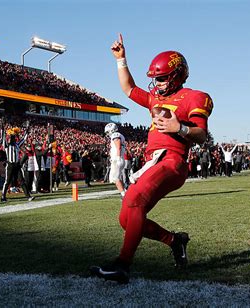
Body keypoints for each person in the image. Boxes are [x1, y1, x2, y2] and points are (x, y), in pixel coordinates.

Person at [90, 34, 213, 283]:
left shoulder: (195, 97)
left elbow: (202, 136)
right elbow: (128, 89)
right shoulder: (156, 98)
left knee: (134, 199)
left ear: (178, 74)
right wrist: (121, 60)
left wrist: (180, 128)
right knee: (126, 219)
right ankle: (175, 241)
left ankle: (122, 265)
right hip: (152, 162)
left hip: (173, 160)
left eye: (162, 78)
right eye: (155, 79)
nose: (157, 83)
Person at [0, 126, 34, 202]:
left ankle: (28, 196)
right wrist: (2, 129)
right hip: (10, 165)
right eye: (11, 137)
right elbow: (3, 138)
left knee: (22, 181)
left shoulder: (17, 145)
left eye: (14, 137)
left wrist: (27, 132)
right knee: (7, 181)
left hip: (17, 165)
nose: (13, 139)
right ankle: (3, 197)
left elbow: (24, 139)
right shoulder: (7, 145)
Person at [104, 122, 126, 198]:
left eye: (107, 131)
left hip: (117, 159)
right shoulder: (118, 135)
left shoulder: (115, 135)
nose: (107, 134)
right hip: (119, 158)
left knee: (116, 178)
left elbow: (118, 147)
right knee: (116, 178)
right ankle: (125, 191)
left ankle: (124, 194)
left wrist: (118, 157)